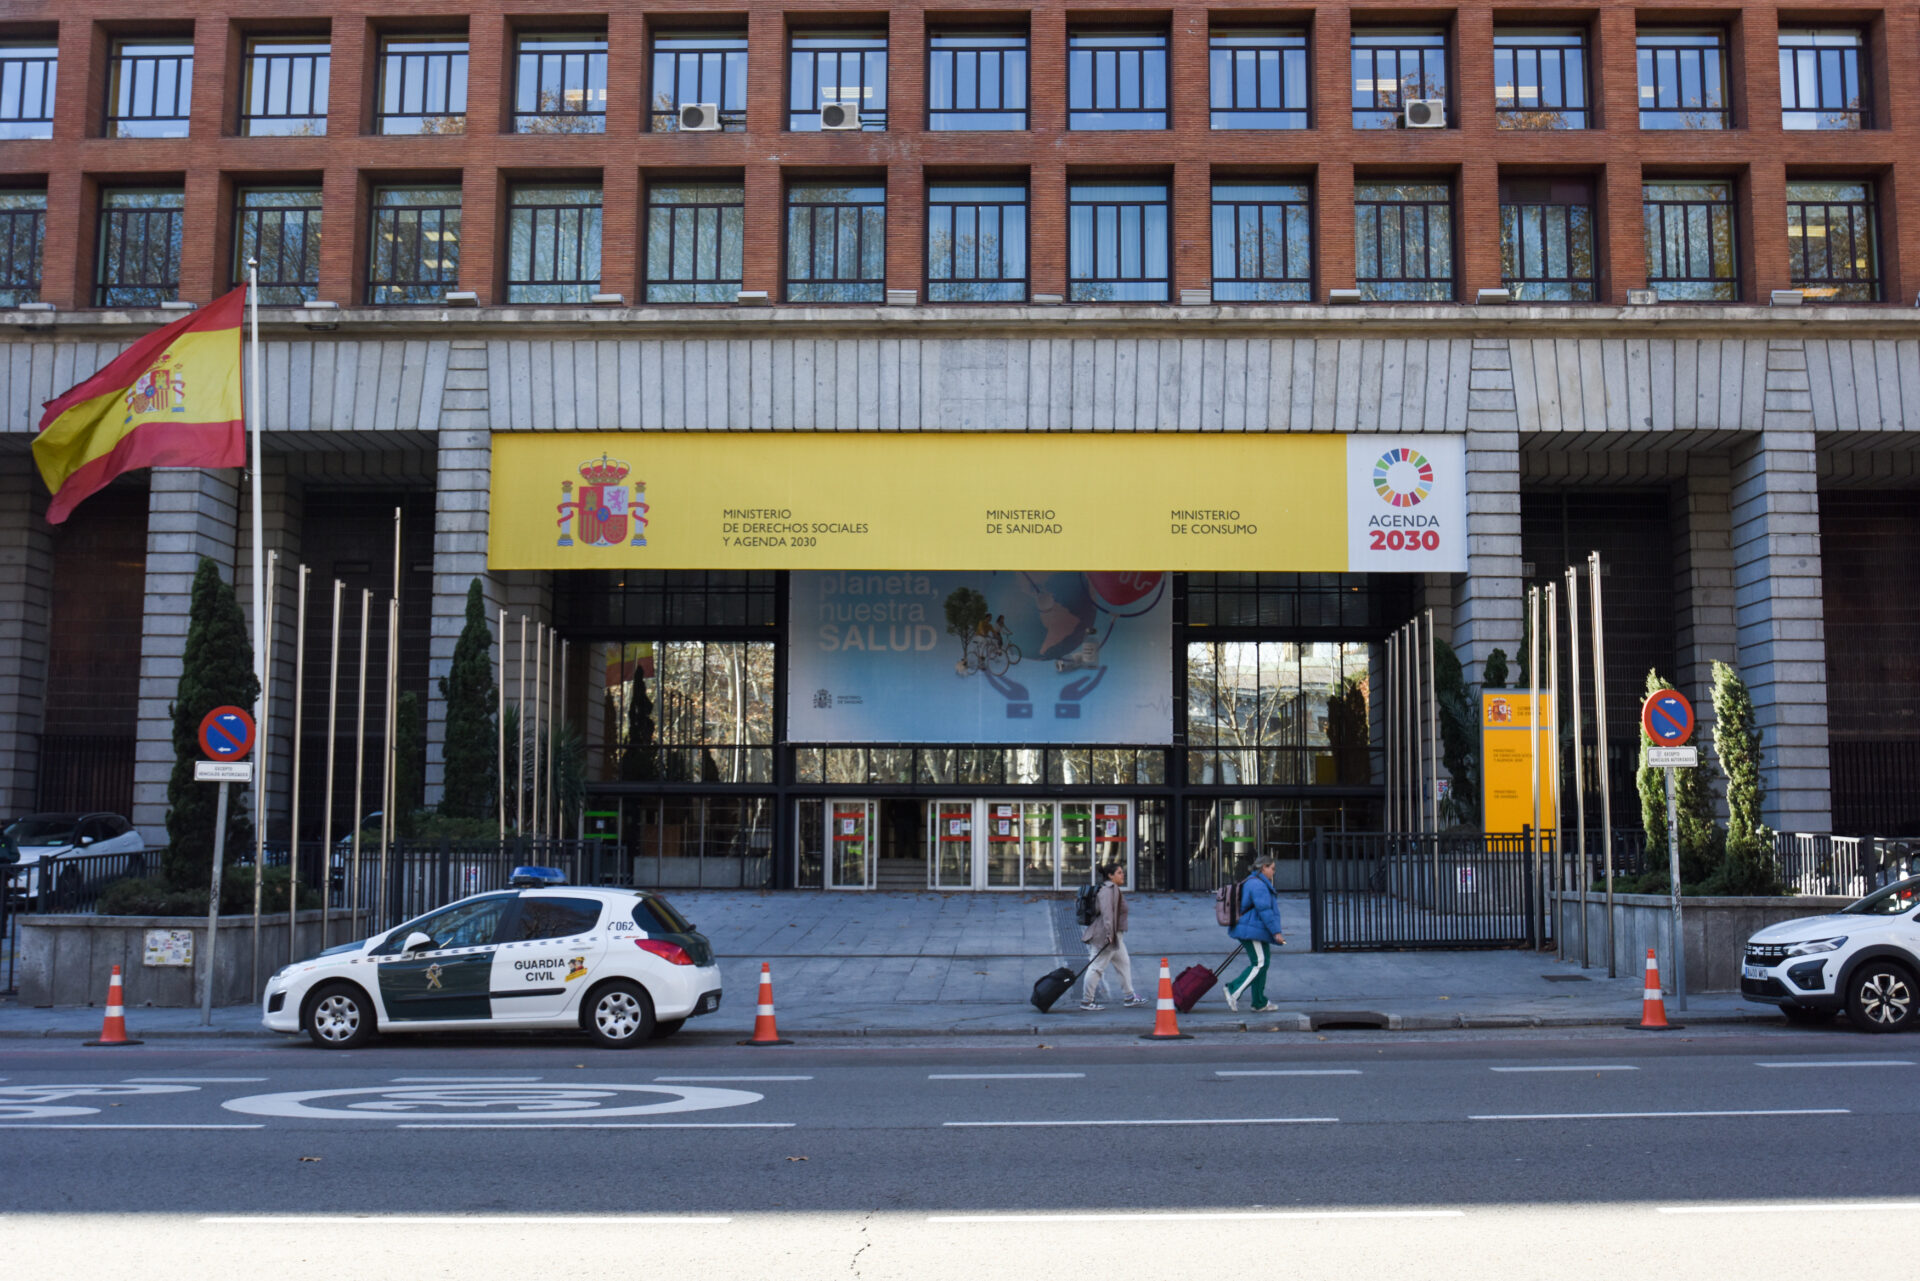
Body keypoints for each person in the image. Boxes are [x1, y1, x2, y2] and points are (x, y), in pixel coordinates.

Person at [1080, 861, 1148, 1011]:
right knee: (1097, 967)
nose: (1123, 875)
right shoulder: (1107, 890)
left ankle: (1129, 997)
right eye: (1119, 873)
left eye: (1122, 872)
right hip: (1106, 935)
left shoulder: (1114, 889)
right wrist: (1109, 934)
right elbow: (1107, 914)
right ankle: (1087, 1001)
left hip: (1116, 935)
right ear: (1111, 876)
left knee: (1123, 963)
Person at [1224, 854, 1285, 1013]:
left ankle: (1259, 1002)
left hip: (1254, 929)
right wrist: (1276, 932)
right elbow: (1265, 910)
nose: (1274, 872)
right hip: (1252, 930)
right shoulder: (1258, 885)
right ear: (1263, 867)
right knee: (1260, 963)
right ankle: (1232, 989)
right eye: (1272, 868)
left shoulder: (1253, 882)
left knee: (1263, 963)